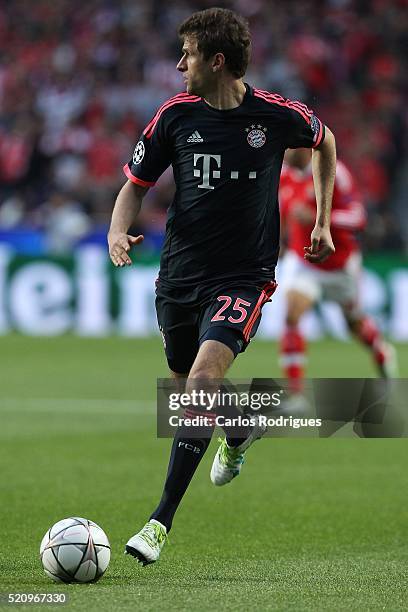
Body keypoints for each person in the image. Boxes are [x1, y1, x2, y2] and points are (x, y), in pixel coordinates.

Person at [107, 7, 336, 565]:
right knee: (191, 390)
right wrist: (117, 230)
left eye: (186, 54)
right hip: (179, 277)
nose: (178, 63)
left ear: (215, 62)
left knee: (205, 378)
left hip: (244, 276)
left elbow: (326, 143)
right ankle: (241, 429)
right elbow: (135, 185)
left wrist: (323, 220)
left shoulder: (278, 115)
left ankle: (158, 524)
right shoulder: (173, 117)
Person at [279, 148, 397, 408]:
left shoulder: (334, 171)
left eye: (289, 145)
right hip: (303, 261)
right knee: (292, 314)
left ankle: (381, 350)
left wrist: (321, 220)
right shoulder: (282, 174)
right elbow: (283, 214)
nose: (284, 151)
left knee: (354, 324)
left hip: (339, 265)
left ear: (303, 145)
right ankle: (296, 396)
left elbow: (359, 217)